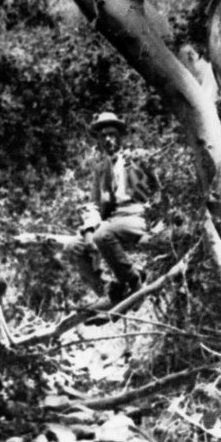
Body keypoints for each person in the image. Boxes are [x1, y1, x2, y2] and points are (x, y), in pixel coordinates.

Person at [80, 107, 148, 301]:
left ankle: (134, 281)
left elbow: (159, 188)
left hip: (135, 216)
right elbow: (94, 204)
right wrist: (88, 230)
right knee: (74, 248)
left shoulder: (138, 158)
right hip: (111, 220)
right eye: (103, 136)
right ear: (99, 141)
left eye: (112, 135)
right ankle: (110, 292)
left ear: (120, 137)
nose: (108, 140)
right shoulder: (100, 168)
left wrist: (163, 218)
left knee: (103, 235)